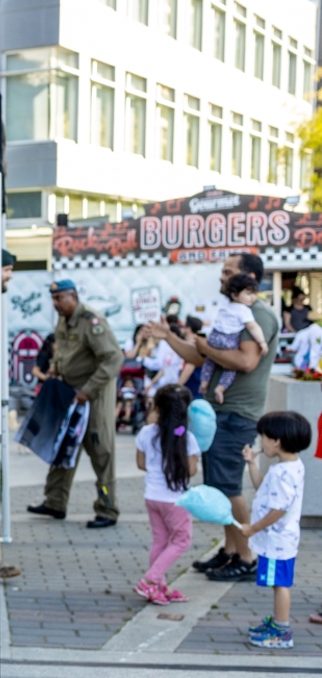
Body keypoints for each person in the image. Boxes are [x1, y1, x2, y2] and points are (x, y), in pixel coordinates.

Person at [151, 253, 280, 583]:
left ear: (248, 277)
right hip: (218, 412)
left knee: (229, 488)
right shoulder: (233, 312)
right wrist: (170, 337)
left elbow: (246, 360)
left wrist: (206, 347)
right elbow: (201, 353)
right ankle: (231, 550)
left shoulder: (257, 314)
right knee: (220, 487)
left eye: (228, 273)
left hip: (236, 413)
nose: (222, 278)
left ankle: (247, 556)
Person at [27, 279, 124, 528]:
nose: (55, 303)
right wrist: (54, 369)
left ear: (73, 296)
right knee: (62, 448)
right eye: (53, 298)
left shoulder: (92, 320)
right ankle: (55, 502)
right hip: (69, 394)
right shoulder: (64, 319)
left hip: (94, 398)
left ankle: (107, 508)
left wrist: (88, 390)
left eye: (59, 298)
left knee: (101, 453)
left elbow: (113, 359)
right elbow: (63, 351)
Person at [240, 411, 311, 649]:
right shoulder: (289, 466)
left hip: (276, 540)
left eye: (263, 437)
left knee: (280, 584)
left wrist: (253, 528)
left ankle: (281, 631)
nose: (261, 442)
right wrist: (251, 463)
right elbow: (263, 490)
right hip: (282, 539)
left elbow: (278, 509)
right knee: (279, 582)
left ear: (276, 440)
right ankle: (278, 624)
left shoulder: (283, 472)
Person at [133, 384, 200, 605]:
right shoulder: (186, 437)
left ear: (158, 408)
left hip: (152, 496)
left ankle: (159, 586)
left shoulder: (145, 433)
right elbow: (191, 470)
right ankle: (150, 580)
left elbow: (141, 464)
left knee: (160, 540)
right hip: (175, 500)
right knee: (181, 540)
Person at [198, 273, 269, 404]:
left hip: (214, 337)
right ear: (235, 295)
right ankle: (221, 388)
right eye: (248, 294)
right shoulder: (244, 310)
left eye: (254, 294)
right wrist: (262, 342)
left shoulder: (225, 306)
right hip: (228, 340)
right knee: (231, 366)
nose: (253, 298)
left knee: (210, 360)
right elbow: (253, 327)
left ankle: (204, 382)